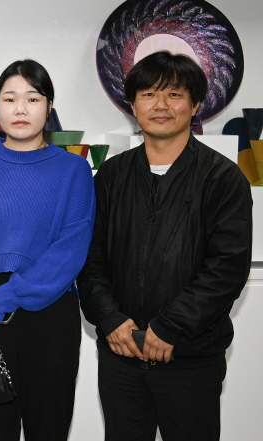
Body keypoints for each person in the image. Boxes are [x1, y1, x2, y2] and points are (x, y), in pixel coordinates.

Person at [77, 51, 252, 441]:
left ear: (195, 104)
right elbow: (89, 257)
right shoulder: (111, 175)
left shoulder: (223, 178)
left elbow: (226, 268)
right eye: (148, 94)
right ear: (133, 105)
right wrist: (109, 318)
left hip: (190, 358)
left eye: (174, 94)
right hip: (120, 355)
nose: (160, 105)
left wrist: (170, 327)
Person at [0, 59, 96, 441]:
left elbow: (69, 251)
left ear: (49, 106)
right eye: (9, 98)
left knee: (48, 430)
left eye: (32, 98)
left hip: (48, 316)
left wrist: (1, 300)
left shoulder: (74, 169)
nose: (20, 108)